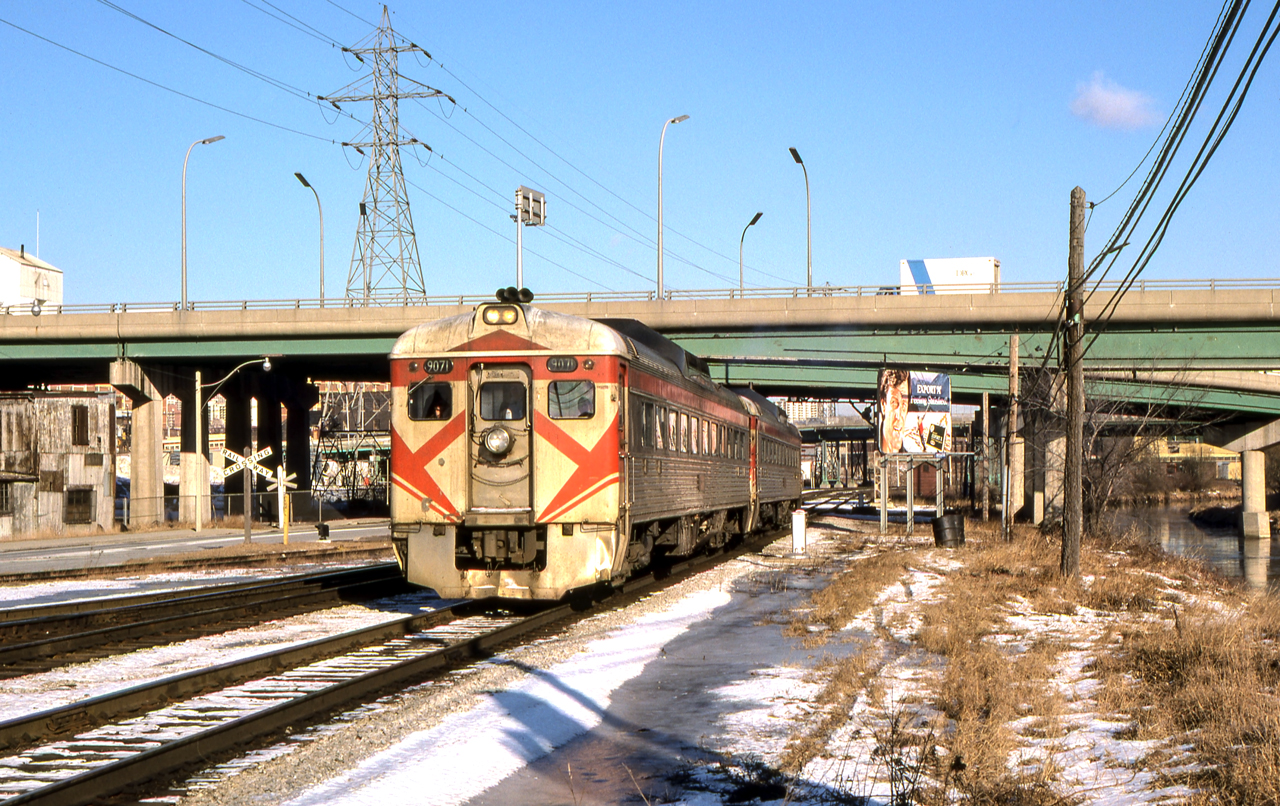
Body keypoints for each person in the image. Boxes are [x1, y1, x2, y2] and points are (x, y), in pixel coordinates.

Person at [878, 368, 910, 454]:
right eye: (894, 403)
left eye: (904, 405)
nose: (898, 416)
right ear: (883, 405)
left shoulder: (912, 455)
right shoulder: (877, 450)